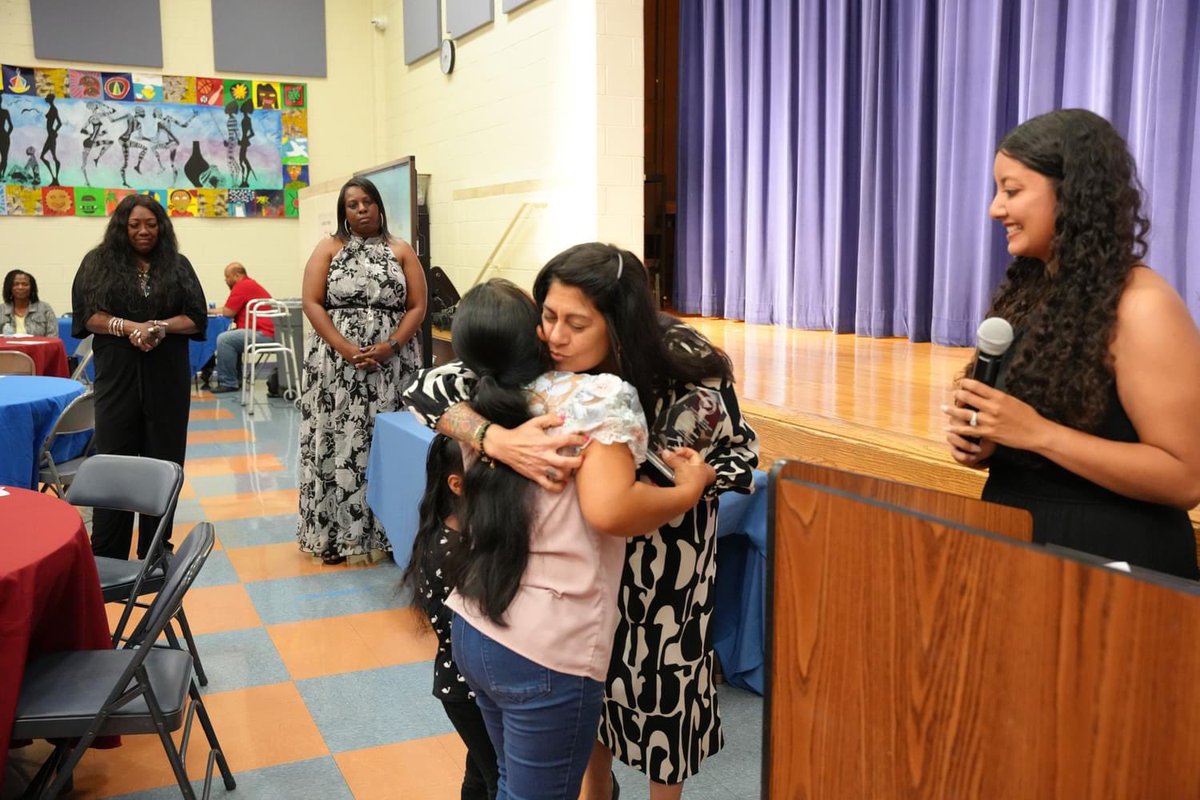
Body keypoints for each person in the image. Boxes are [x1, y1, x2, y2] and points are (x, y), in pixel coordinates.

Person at [402, 243, 760, 800]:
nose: (555, 336)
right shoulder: (545, 357)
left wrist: (695, 481)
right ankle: (598, 791)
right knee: (585, 702)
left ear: (620, 327)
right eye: (548, 316)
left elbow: (737, 454)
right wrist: (496, 437)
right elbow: (427, 388)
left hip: (667, 566)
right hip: (581, 579)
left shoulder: (682, 362)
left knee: (663, 704)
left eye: (576, 323)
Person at [944, 108, 1200, 579]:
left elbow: (1185, 477)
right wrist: (987, 443)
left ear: (1072, 196)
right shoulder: (1032, 291)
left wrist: (1037, 434)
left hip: (1116, 568)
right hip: (1021, 542)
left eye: (1012, 191)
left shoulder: (1143, 306)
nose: (995, 209)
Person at [297, 177, 426, 565]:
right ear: (343, 212)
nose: (361, 209)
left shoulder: (400, 249)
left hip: (393, 365)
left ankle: (390, 535)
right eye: (352, 204)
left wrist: (391, 346)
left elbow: (417, 306)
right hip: (337, 365)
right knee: (339, 443)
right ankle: (335, 535)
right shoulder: (328, 248)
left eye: (367, 202)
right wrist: (347, 348)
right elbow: (312, 302)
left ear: (379, 206)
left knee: (386, 445)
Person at [71, 195, 207, 559]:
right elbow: (87, 315)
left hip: (167, 377)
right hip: (117, 375)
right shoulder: (98, 262)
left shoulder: (177, 265)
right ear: (122, 227)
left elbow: (196, 317)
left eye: (151, 223)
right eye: (135, 225)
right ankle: (107, 551)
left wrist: (158, 327)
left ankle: (155, 547)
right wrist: (130, 327)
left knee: (165, 460)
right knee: (114, 460)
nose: (144, 231)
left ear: (161, 226)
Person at [401, 434, 500, 800]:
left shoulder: (461, 533)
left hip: (463, 683)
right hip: (467, 689)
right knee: (499, 778)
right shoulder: (451, 550)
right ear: (457, 484)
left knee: (479, 772)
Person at [210, 262, 275, 394]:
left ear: (237, 275)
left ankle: (228, 382)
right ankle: (236, 379)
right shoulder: (249, 285)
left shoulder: (242, 286)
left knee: (224, 339)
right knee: (232, 338)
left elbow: (228, 312)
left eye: (227, 276)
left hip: (264, 334)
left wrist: (206, 311)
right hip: (267, 332)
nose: (226, 280)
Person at [1, 269, 58, 335]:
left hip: (38, 345)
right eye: (16, 284)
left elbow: (53, 337)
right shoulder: (1, 310)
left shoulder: (45, 309)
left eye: (25, 284)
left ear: (32, 288)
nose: (20, 287)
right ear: (9, 288)